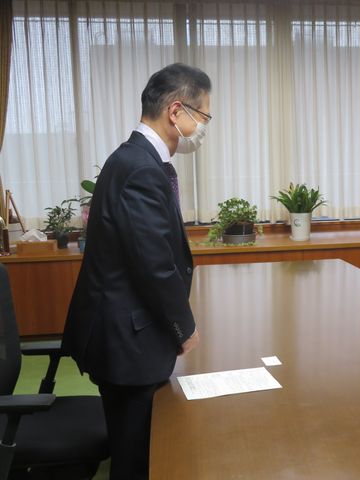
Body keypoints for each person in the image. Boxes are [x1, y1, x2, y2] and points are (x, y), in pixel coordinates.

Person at [62, 63, 211, 479]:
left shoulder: (135, 159)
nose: (202, 128)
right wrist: (185, 328)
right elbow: (154, 264)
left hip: (124, 329)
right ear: (176, 111)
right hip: (126, 341)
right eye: (202, 117)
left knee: (140, 447)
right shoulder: (142, 168)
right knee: (135, 460)